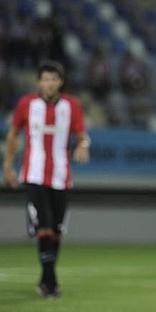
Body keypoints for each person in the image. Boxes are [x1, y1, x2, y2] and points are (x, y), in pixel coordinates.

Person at [2, 61, 90, 298]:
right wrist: (8, 166)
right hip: (34, 175)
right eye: (45, 79)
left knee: (57, 231)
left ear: (60, 81)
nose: (49, 83)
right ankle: (51, 282)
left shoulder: (72, 105)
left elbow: (82, 136)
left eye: (53, 79)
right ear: (39, 82)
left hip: (61, 176)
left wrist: (83, 146)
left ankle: (45, 279)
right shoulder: (26, 104)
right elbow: (13, 135)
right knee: (45, 227)